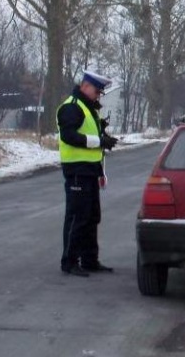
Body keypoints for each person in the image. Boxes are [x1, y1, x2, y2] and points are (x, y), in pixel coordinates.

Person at [57, 70, 118, 277]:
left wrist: (103, 137)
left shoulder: (88, 108)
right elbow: (69, 136)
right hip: (76, 170)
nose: (98, 95)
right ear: (84, 86)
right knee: (77, 217)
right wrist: (100, 141)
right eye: (96, 91)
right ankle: (70, 261)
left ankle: (90, 260)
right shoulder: (72, 107)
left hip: (90, 170)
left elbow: (90, 134)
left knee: (92, 217)